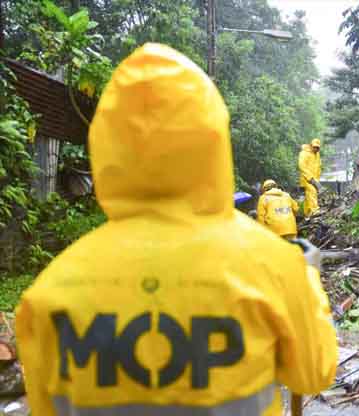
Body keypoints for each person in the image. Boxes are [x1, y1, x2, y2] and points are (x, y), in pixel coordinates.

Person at [14, 43, 338, 416]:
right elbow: (315, 373)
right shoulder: (275, 269)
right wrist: (306, 279)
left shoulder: (48, 295)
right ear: (214, 139)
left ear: (107, 147)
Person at [299, 138, 323, 216]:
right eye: (314, 147)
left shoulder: (317, 154)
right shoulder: (304, 153)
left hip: (315, 178)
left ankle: (307, 214)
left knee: (308, 197)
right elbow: (301, 166)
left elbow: (319, 166)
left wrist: (317, 179)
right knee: (312, 192)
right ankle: (314, 210)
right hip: (307, 178)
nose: (316, 148)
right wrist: (310, 178)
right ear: (310, 145)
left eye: (317, 147)